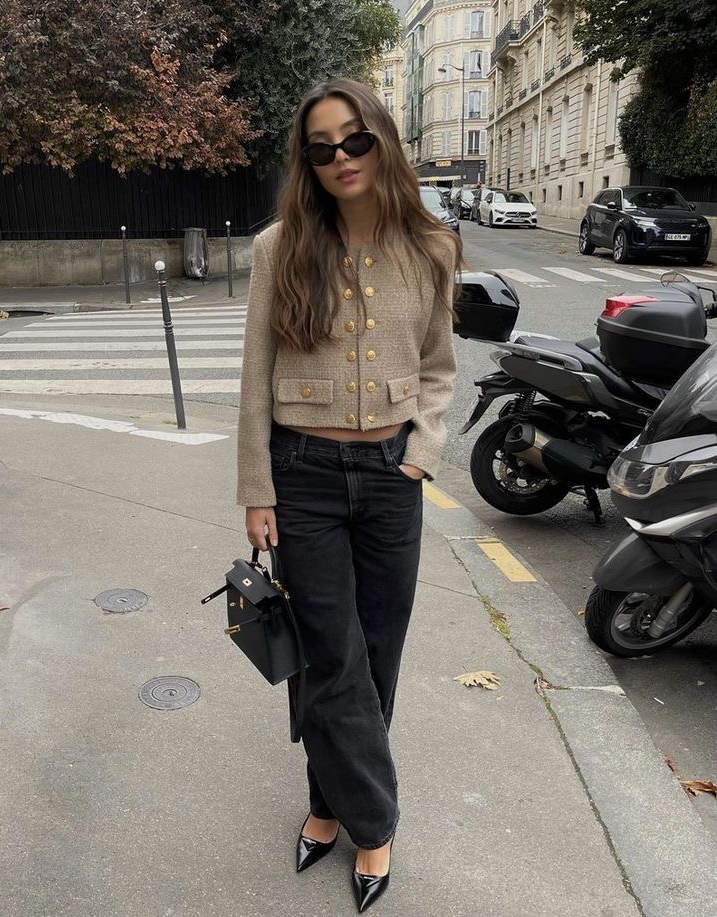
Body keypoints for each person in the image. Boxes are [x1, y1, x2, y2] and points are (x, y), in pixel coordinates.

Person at [236, 77, 461, 913]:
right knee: (331, 653)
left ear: (383, 140)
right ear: (309, 160)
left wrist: (421, 456)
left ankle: (328, 803)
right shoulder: (280, 247)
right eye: (322, 147)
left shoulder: (431, 246)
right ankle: (374, 823)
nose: (341, 158)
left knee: (377, 652)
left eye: (355, 139)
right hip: (303, 477)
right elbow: (255, 376)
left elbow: (438, 368)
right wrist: (256, 489)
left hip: (392, 479)